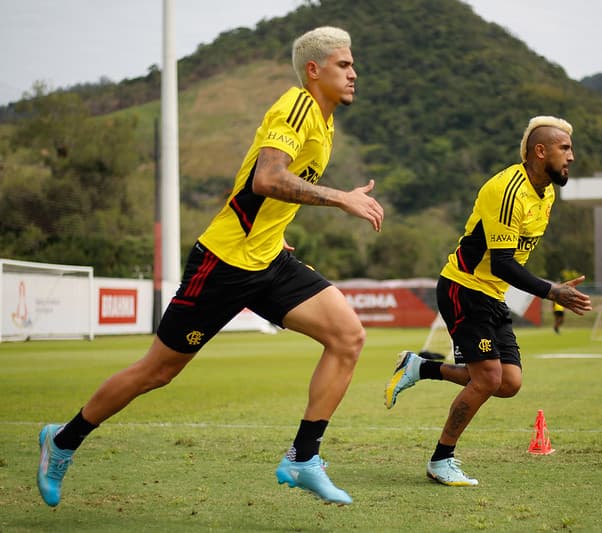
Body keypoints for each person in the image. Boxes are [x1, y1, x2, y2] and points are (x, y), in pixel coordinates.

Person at [37, 26, 383, 507]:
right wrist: (340, 198)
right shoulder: (298, 106)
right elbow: (267, 179)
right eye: (344, 65)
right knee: (156, 372)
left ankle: (303, 459)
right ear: (314, 70)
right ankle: (62, 440)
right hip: (223, 263)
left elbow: (265, 194)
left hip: (269, 261)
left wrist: (281, 234)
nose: (353, 73)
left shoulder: (323, 123)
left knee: (348, 336)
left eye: (352, 64)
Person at [384, 116, 591, 486]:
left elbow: (511, 262)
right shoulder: (506, 189)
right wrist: (551, 290)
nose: (571, 157)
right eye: (565, 148)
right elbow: (503, 261)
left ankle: (420, 367)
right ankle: (441, 460)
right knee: (488, 378)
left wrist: (548, 289)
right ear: (539, 151)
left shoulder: (545, 194)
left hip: (493, 294)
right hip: (463, 288)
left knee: (508, 383)